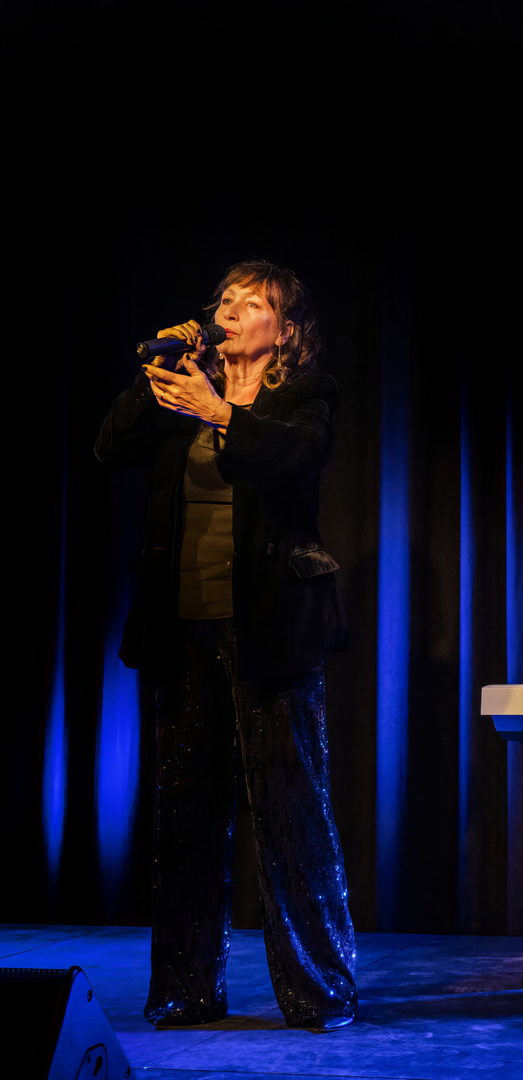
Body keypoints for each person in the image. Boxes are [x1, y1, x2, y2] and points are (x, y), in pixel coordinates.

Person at [96, 259, 357, 1032]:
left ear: (288, 330)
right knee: (186, 818)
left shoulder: (305, 395)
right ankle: (186, 990)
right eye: (226, 299)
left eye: (253, 302)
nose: (232, 309)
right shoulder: (183, 387)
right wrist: (154, 376)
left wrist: (221, 414)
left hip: (271, 632)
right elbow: (112, 447)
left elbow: (295, 456)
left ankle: (320, 992)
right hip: (183, 627)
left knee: (291, 817)